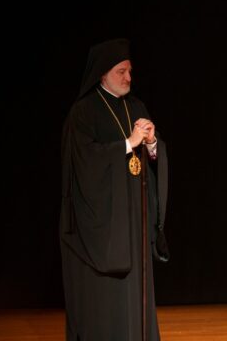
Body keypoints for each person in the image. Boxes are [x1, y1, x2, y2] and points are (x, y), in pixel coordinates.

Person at [60, 38, 169, 341]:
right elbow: (84, 163)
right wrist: (128, 143)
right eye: (121, 72)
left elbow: (152, 161)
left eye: (130, 71)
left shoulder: (137, 107)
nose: (128, 78)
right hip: (103, 228)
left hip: (134, 222)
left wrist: (152, 144)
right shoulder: (84, 112)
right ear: (102, 74)